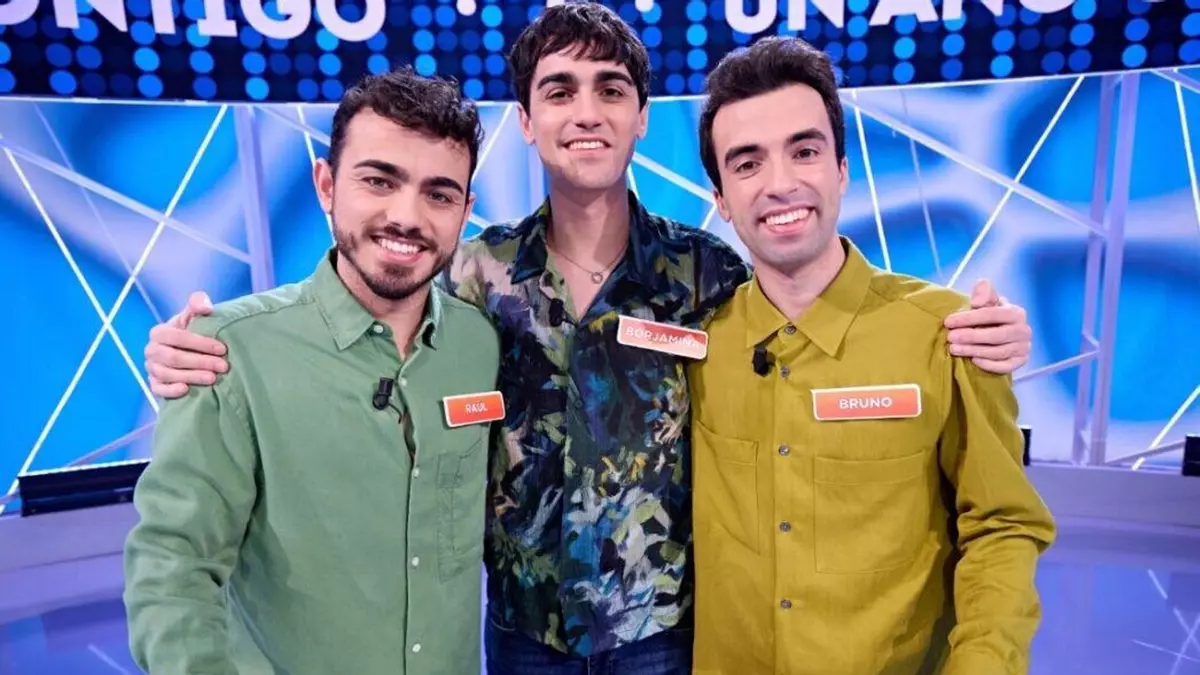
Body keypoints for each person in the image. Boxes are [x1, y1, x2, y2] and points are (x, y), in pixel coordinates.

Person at [139, 4, 1034, 673]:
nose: (587, 111)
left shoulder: (705, 273)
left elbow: (802, 306)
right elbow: (379, 313)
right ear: (527, 121)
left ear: (643, 116)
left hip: (665, 633)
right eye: (558, 91)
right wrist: (204, 348)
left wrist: (965, 329)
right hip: (523, 632)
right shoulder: (474, 274)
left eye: (612, 89)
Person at [688, 36, 1056, 675]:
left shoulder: (946, 334)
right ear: (720, 198)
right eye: (747, 164)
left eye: (804, 151)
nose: (781, 184)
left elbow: (1001, 525)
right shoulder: (696, 345)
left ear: (841, 170)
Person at [122, 67, 500, 675]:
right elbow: (173, 567)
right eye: (379, 181)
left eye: (439, 194)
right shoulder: (229, 351)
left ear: (465, 210)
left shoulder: (478, 343)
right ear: (326, 185)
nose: (407, 216)